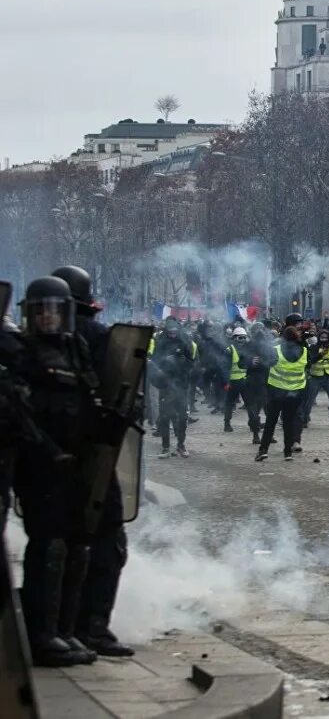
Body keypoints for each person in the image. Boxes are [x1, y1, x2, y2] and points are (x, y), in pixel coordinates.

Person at [13, 276, 99, 666]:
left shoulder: (75, 348)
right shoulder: (21, 352)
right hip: (41, 465)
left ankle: (66, 629)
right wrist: (47, 452)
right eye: (41, 310)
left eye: (55, 309)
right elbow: (18, 412)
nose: (48, 317)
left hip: (76, 463)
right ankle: (41, 634)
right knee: (47, 547)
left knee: (76, 545)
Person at [50, 265, 135, 658]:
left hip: (45, 462)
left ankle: (56, 626)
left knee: (54, 545)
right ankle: (92, 626)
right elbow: (123, 396)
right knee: (106, 542)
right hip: (93, 457)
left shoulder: (27, 343)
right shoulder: (99, 337)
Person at [255, 326, 309, 462]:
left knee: (271, 422)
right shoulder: (304, 352)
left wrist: (259, 362)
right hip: (295, 393)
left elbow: (267, 365)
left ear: (283, 338)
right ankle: (287, 452)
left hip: (276, 393)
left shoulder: (276, 351)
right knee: (289, 423)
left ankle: (263, 450)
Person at [150, 316, 196, 459]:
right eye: (170, 332)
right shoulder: (160, 341)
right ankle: (165, 447)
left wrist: (182, 362)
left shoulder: (185, 341)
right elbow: (154, 361)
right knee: (165, 416)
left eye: (174, 331)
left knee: (182, 416)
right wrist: (165, 360)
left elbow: (192, 362)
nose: (172, 334)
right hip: (166, 383)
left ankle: (181, 445)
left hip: (181, 383)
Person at [305, 329, 329, 429]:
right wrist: (321, 354)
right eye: (322, 337)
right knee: (310, 400)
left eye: (325, 338)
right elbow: (312, 360)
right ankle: (304, 420)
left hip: (328, 377)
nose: (324, 339)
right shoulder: (314, 347)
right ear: (319, 338)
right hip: (315, 377)